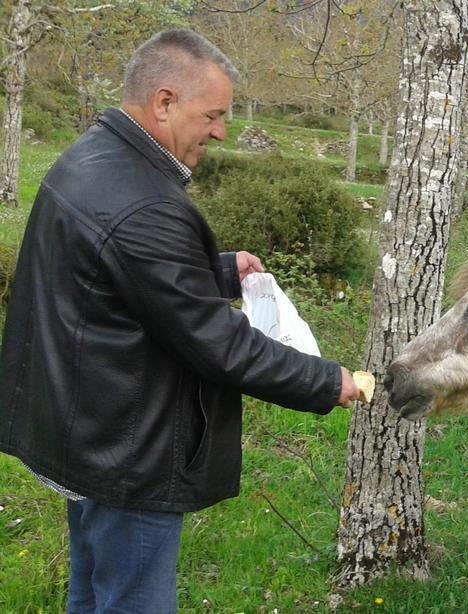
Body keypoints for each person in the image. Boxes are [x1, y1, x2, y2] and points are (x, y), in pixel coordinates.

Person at [0, 30, 360, 613]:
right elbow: (219, 344)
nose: (220, 132)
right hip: (128, 447)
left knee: (92, 592)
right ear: (164, 102)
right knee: (131, 601)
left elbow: (111, 275)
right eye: (212, 115)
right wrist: (327, 381)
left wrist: (217, 271)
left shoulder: (92, 155)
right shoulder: (148, 202)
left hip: (82, 424)